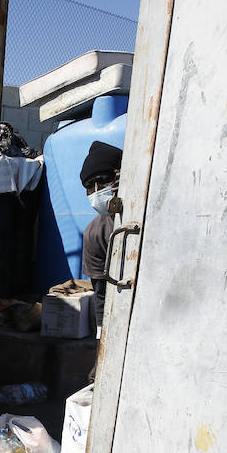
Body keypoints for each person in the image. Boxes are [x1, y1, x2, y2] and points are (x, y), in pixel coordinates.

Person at [79, 140, 123, 332]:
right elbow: (101, 294)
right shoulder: (95, 233)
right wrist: (101, 334)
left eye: (103, 180)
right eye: (89, 186)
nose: (97, 191)